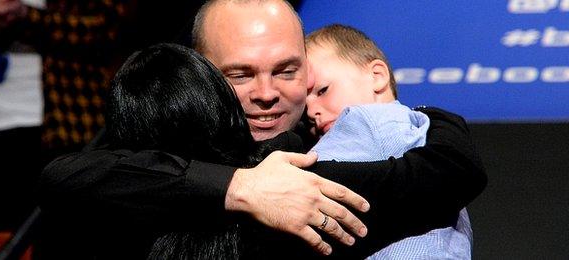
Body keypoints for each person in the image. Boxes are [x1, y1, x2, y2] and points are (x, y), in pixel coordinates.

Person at [39, 0, 486, 258]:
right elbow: (65, 178)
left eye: (288, 71)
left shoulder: (336, 159)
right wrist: (240, 188)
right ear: (202, 73)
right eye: (240, 75)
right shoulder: (150, 165)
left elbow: (450, 173)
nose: (266, 93)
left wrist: (438, 120)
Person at [305, 24, 472, 259]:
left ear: (377, 76)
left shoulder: (365, 120)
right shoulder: (420, 129)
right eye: (303, 107)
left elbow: (299, 184)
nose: (311, 111)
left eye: (323, 91)